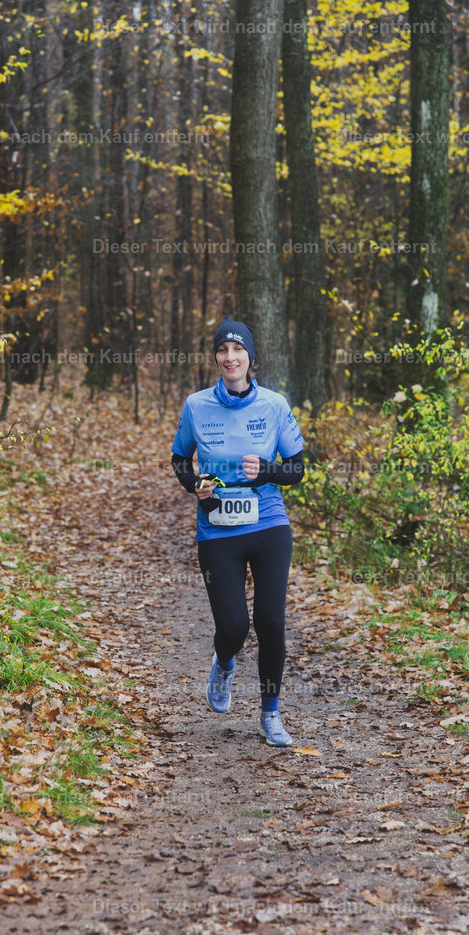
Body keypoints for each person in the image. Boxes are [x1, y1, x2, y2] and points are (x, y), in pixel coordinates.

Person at [171, 316, 306, 746]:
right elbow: (179, 459)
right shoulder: (196, 406)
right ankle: (224, 663)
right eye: (223, 351)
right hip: (218, 528)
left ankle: (270, 715)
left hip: (269, 523)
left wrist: (268, 470)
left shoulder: (274, 404)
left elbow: (298, 468)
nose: (231, 358)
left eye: (238, 350)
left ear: (250, 357)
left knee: (270, 621)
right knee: (233, 626)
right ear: (216, 358)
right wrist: (196, 485)